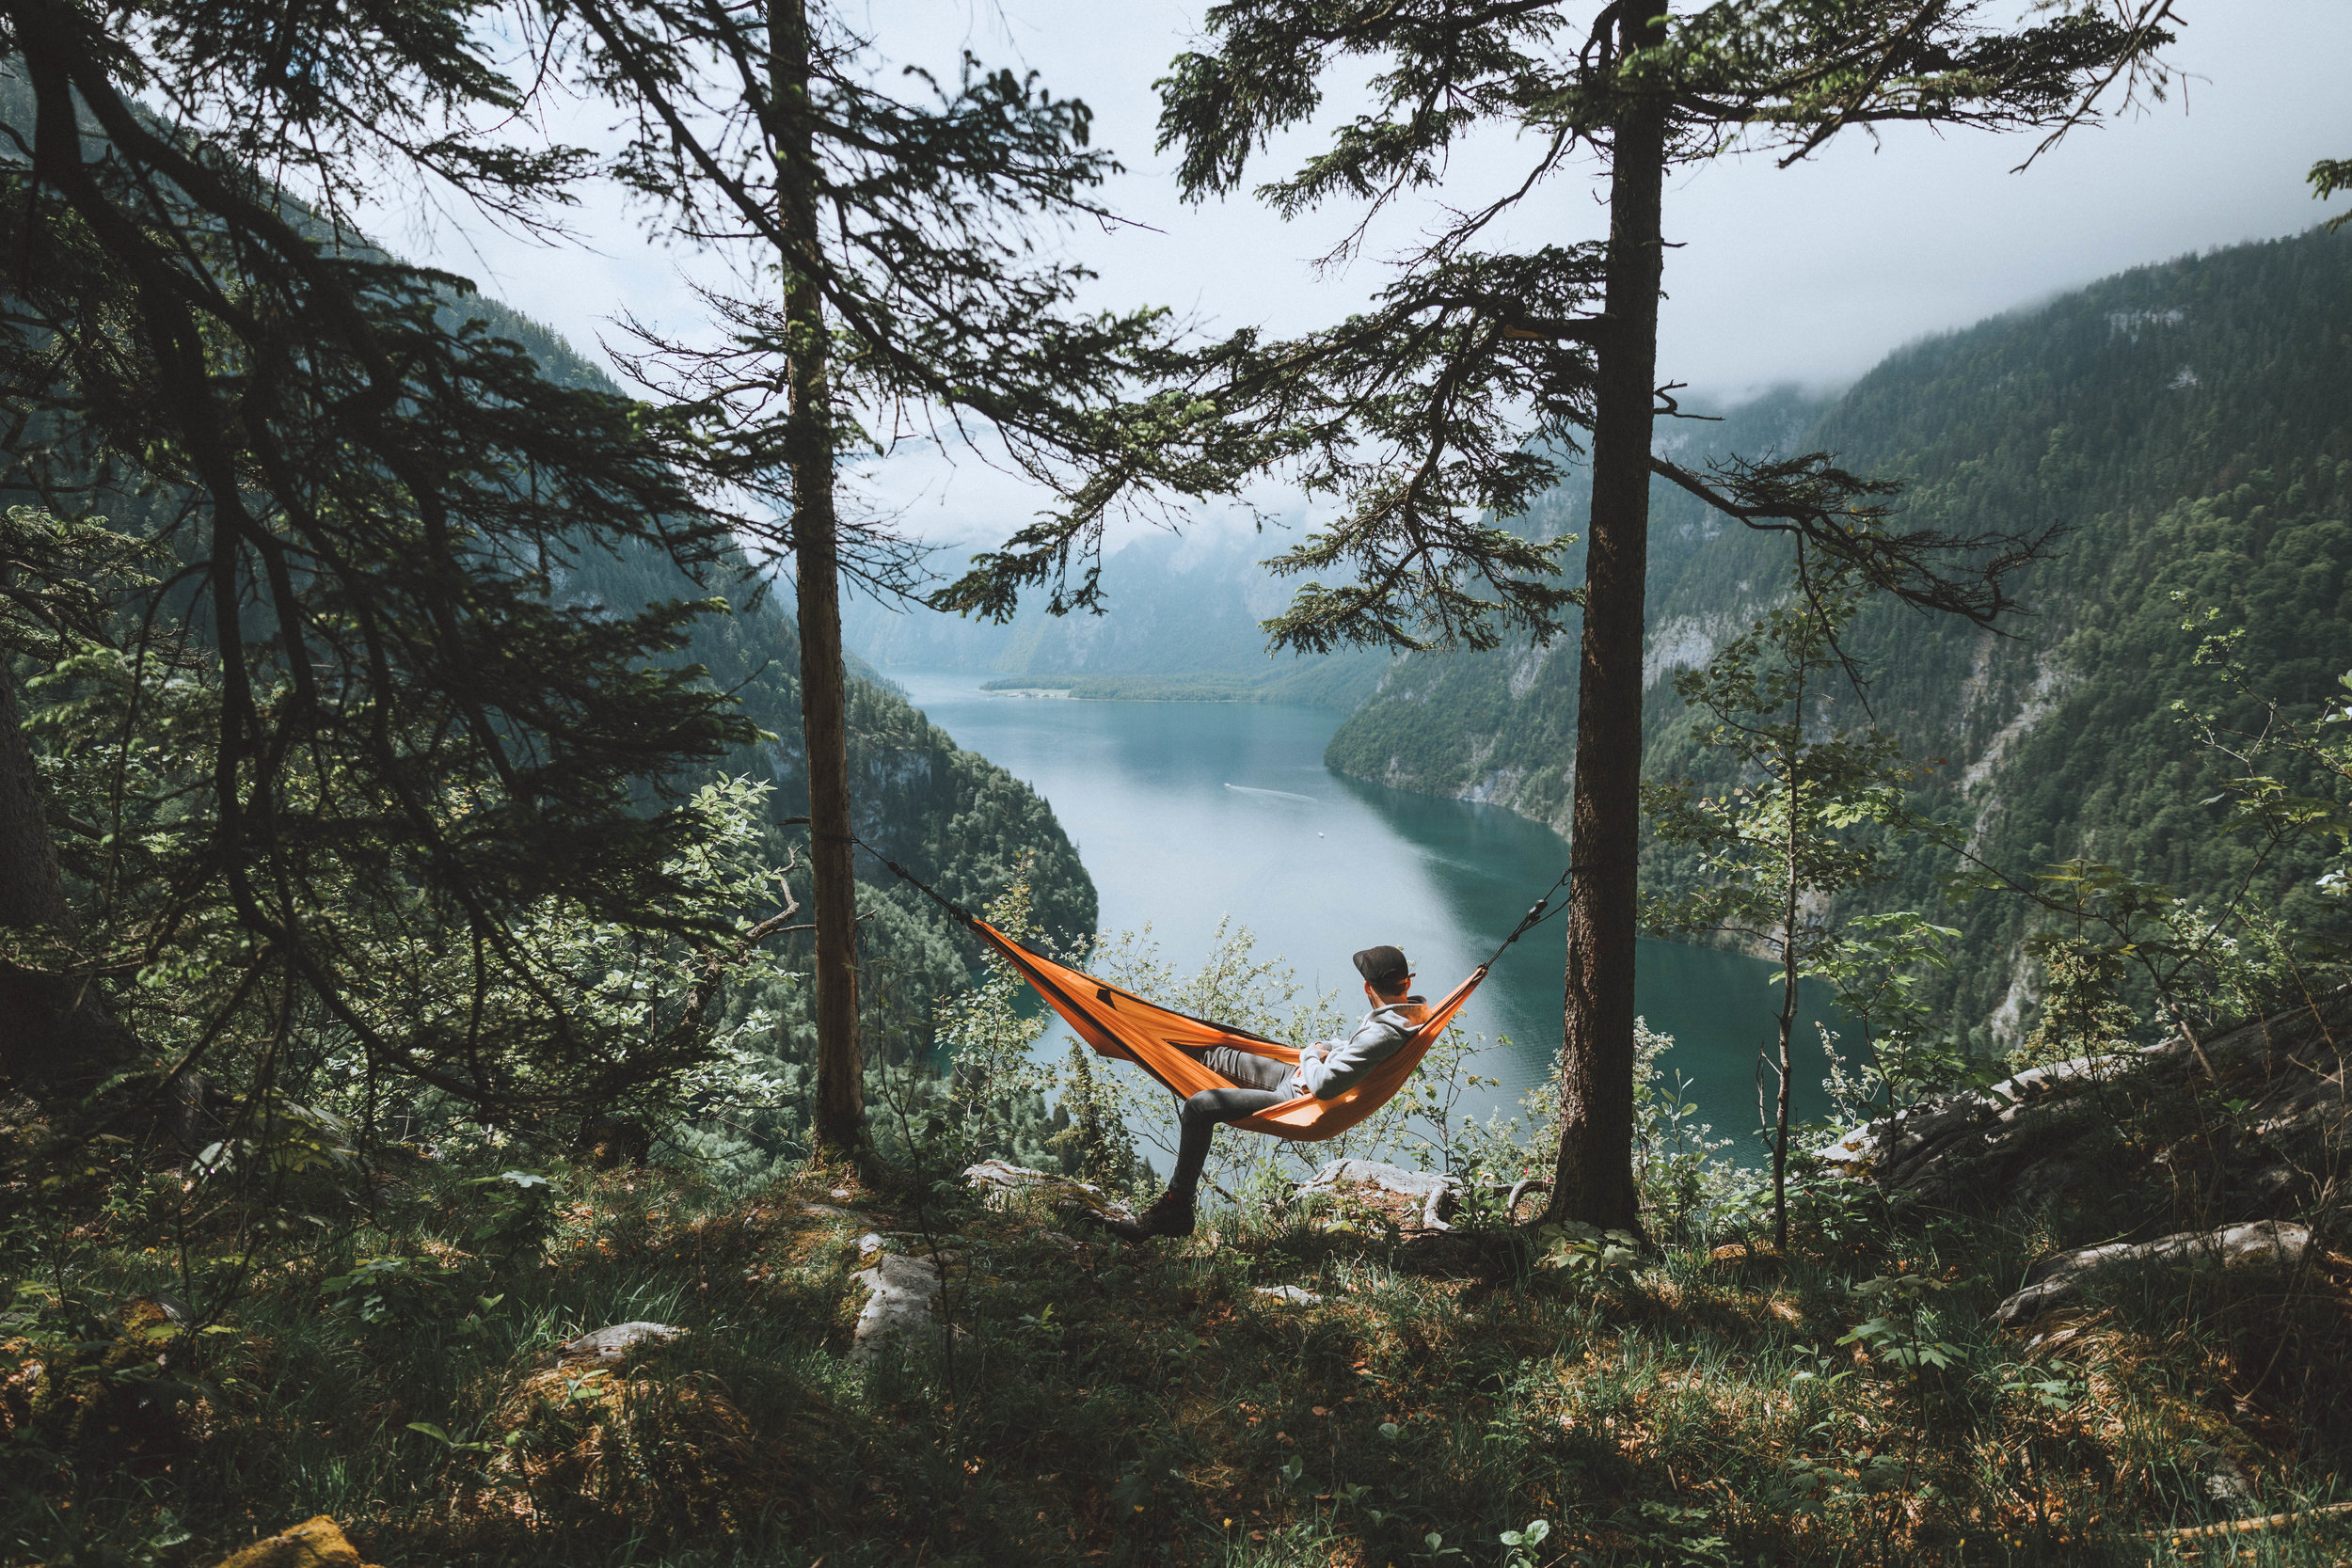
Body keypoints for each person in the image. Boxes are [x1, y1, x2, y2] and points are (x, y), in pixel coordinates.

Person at [1102, 944, 1428, 1242]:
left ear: (1367, 987)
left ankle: (1176, 1207)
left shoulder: (1384, 1033)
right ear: (1407, 984)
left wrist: (1310, 1054)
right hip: (1298, 1080)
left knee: (1199, 1107)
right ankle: (1139, 1036)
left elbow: (1325, 1084)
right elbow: (1352, 1048)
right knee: (1216, 1054)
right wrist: (1323, 1049)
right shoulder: (1405, 1015)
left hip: (1298, 1101)